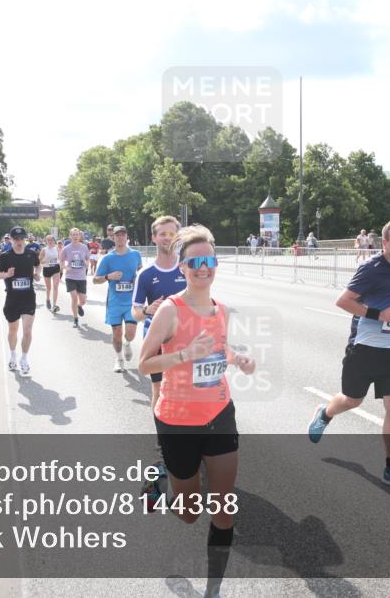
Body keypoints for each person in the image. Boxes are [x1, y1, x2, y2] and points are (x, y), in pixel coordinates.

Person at [138, 224, 256, 598]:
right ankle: (160, 485)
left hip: (219, 414)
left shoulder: (221, 310)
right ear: (183, 267)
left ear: (216, 264)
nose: (203, 268)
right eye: (195, 262)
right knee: (189, 513)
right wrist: (185, 355)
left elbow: (219, 349)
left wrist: (239, 359)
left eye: (209, 261)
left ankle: (212, 590)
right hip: (177, 421)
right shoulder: (170, 311)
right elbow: (144, 364)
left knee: (224, 508)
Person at [307, 219, 390, 494]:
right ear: (385, 243)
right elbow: (343, 301)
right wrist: (377, 314)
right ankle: (325, 413)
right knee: (352, 400)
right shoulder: (372, 268)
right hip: (363, 349)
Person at [132, 215, 185, 415]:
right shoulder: (145, 274)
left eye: (172, 233)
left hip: (186, 336)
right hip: (157, 339)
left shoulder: (187, 268)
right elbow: (135, 312)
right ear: (154, 238)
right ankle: (161, 432)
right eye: (163, 234)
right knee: (159, 388)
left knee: (187, 387)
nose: (167, 238)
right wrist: (147, 310)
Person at [94, 225, 142, 371]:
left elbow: (140, 271)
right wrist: (109, 276)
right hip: (114, 302)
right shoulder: (108, 258)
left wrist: (137, 279)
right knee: (116, 334)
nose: (120, 237)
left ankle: (127, 343)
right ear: (113, 238)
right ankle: (119, 359)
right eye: (117, 235)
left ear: (127, 237)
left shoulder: (136, 255)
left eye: (123, 235)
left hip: (131, 302)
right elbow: (95, 280)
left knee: (131, 333)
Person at [0, 226, 41, 374]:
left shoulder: (31, 254)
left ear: (25, 239)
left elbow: (38, 265)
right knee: (13, 330)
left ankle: (24, 358)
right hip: (12, 298)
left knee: (27, 331)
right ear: (12, 240)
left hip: (28, 297)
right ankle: (13, 355)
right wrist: (6, 275)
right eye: (16, 239)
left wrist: (37, 274)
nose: (20, 241)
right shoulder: (5, 256)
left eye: (22, 239)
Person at [61, 228, 90, 328]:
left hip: (81, 277)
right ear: (70, 236)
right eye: (73, 234)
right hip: (70, 277)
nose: (75, 236)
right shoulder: (66, 248)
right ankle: (75, 319)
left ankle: (79, 305)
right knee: (74, 297)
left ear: (80, 236)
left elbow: (87, 258)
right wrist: (65, 267)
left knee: (83, 300)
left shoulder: (84, 247)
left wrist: (87, 263)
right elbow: (60, 261)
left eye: (77, 234)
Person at [40, 234, 62, 312]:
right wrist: (45, 260)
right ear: (46, 241)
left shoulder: (57, 249)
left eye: (51, 240)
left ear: (53, 241)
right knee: (49, 288)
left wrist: (60, 264)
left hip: (55, 268)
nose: (50, 241)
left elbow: (59, 259)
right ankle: (48, 299)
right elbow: (40, 261)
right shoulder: (44, 250)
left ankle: (54, 305)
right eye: (48, 240)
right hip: (47, 269)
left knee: (55, 286)